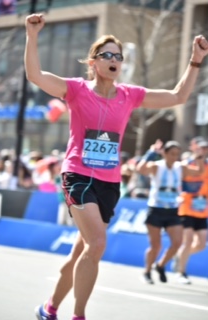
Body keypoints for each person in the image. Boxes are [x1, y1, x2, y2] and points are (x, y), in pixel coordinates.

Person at [24, 12, 208, 320]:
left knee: (81, 253)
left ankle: (49, 308)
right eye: (106, 54)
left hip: (109, 183)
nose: (114, 59)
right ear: (93, 62)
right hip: (78, 174)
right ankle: (79, 315)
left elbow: (178, 96)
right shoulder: (76, 90)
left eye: (118, 56)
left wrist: (195, 60)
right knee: (97, 243)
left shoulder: (130, 95)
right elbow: (35, 76)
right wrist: (32, 36)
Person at [136, 140, 205, 284]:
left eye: (177, 154)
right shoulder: (156, 166)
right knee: (156, 246)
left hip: (173, 210)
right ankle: (147, 271)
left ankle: (160, 265)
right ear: (165, 153)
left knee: (177, 243)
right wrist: (151, 153)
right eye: (172, 154)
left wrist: (199, 158)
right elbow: (141, 169)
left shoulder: (180, 168)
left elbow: (199, 172)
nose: (174, 157)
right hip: (156, 210)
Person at [173, 138, 208, 284]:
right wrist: (195, 157)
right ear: (194, 148)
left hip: (202, 208)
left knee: (200, 244)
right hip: (187, 207)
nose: (204, 151)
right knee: (187, 242)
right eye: (201, 148)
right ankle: (181, 272)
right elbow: (181, 175)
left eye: (205, 148)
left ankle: (180, 257)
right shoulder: (187, 162)